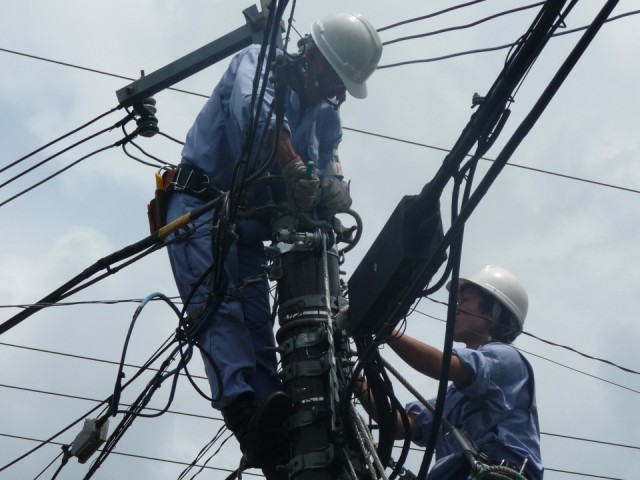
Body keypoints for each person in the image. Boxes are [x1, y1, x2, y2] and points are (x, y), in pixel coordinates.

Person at [164, 11, 383, 478]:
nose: (337, 93)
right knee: (217, 309)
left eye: (345, 86)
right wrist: (292, 167)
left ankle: (276, 439)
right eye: (335, 79)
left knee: (259, 327)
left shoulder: (326, 117)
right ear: (313, 58)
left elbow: (326, 169)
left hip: (246, 226)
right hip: (198, 210)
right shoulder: (256, 63)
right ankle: (244, 416)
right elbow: (258, 120)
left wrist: (331, 189)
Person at [358, 265, 543, 480]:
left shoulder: (506, 360)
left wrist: (385, 329)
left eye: (465, 301)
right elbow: (401, 426)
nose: (455, 308)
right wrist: (355, 382)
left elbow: (442, 366)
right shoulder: (455, 397)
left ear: (495, 311)